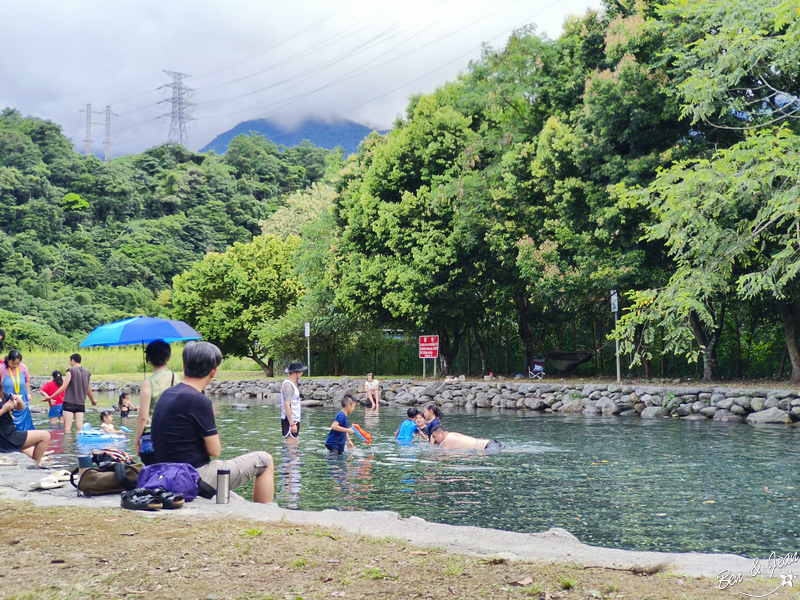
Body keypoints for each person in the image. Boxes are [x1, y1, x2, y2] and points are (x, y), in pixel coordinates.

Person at [150, 341, 274, 504]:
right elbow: (215, 451)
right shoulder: (198, 400)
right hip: (194, 474)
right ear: (213, 371)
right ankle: (266, 514)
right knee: (265, 460)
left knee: (239, 501)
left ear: (184, 365)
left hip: (167, 472)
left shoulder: (167, 394)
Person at [135, 340, 176, 464]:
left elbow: (143, 417)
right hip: (173, 437)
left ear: (148, 358)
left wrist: (136, 440)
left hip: (152, 440)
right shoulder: (177, 378)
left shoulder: (148, 383)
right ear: (168, 358)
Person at [43, 353, 96, 433]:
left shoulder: (70, 371)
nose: (70, 363)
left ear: (73, 360)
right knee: (79, 427)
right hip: (81, 403)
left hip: (69, 403)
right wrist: (93, 401)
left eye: (70, 361)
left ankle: (68, 445)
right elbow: (88, 389)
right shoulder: (87, 372)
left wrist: (50, 397)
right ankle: (79, 444)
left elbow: (64, 386)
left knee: (67, 428)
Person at [0, 392, 51, 466]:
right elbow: (5, 408)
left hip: (10, 433)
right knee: (45, 435)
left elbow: (21, 407)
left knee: (30, 444)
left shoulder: (4, 395)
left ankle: (38, 459)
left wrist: (19, 400)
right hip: (4, 437)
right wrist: (4, 409)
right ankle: (37, 464)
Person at [1, 350, 34, 431]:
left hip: (22, 401)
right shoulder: (1, 369)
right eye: (13, 363)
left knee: (25, 428)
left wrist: (29, 394)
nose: (15, 365)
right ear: (8, 360)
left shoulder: (23, 368)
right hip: (7, 404)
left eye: (18, 363)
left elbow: (27, 381)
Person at [280, 361, 307, 446]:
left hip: (294, 419)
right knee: (291, 448)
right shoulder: (288, 386)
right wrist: (292, 424)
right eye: (300, 371)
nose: (302, 373)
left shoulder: (293, 385)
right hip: (290, 420)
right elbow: (286, 405)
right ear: (295, 373)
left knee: (295, 446)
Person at [429, 425, 504, 451]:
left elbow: (439, 454)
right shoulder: (452, 434)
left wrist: (431, 444)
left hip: (489, 448)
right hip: (490, 444)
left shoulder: (447, 440)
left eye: (434, 436)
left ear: (441, 433)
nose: (435, 439)